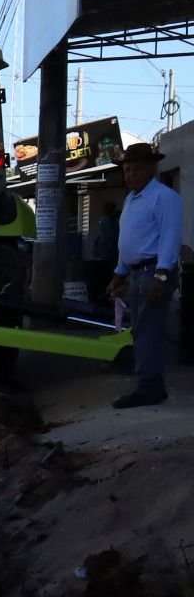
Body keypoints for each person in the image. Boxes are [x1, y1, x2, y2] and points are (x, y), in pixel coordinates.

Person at [107, 143, 182, 408]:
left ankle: (149, 387)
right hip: (137, 273)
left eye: (136, 169)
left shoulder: (164, 197)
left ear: (152, 168)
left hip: (154, 272)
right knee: (140, 330)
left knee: (148, 330)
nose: (130, 175)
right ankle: (150, 384)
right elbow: (129, 241)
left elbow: (170, 237)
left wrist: (161, 275)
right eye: (127, 170)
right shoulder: (131, 199)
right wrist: (119, 274)